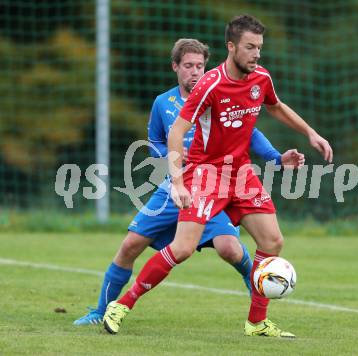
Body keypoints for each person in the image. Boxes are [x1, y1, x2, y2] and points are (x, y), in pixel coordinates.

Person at [102, 15, 326, 339]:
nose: (257, 54)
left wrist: (310, 134)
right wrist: (178, 183)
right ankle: (121, 305)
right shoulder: (210, 85)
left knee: (272, 241)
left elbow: (275, 107)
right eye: (250, 47)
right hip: (203, 174)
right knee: (182, 248)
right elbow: (177, 131)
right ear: (231, 47)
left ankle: (256, 322)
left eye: (259, 47)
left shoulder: (261, 77)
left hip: (241, 173)